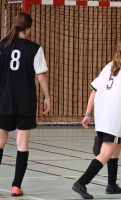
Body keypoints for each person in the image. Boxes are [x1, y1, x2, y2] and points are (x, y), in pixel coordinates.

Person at [72, 38, 121, 199]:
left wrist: (87, 114)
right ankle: (81, 182)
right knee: (106, 152)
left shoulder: (110, 65)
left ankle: (112, 184)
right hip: (114, 113)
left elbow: (94, 91)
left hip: (101, 111)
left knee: (117, 144)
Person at [0, 12, 50, 196]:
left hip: (4, 100)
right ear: (29, 28)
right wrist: (47, 97)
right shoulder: (35, 48)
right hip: (25, 101)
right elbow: (41, 77)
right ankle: (16, 186)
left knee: (0, 142)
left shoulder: (2, 46)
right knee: (22, 144)